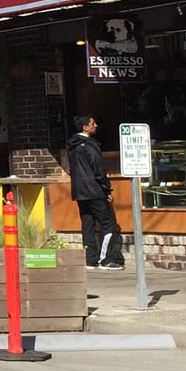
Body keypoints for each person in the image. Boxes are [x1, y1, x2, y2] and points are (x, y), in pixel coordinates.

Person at [66, 114, 123, 268]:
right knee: (108, 222)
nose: (96, 125)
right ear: (85, 127)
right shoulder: (90, 145)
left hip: (79, 192)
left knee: (88, 224)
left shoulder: (72, 145)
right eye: (93, 123)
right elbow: (98, 169)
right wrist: (106, 190)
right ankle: (107, 258)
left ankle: (89, 259)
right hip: (94, 190)